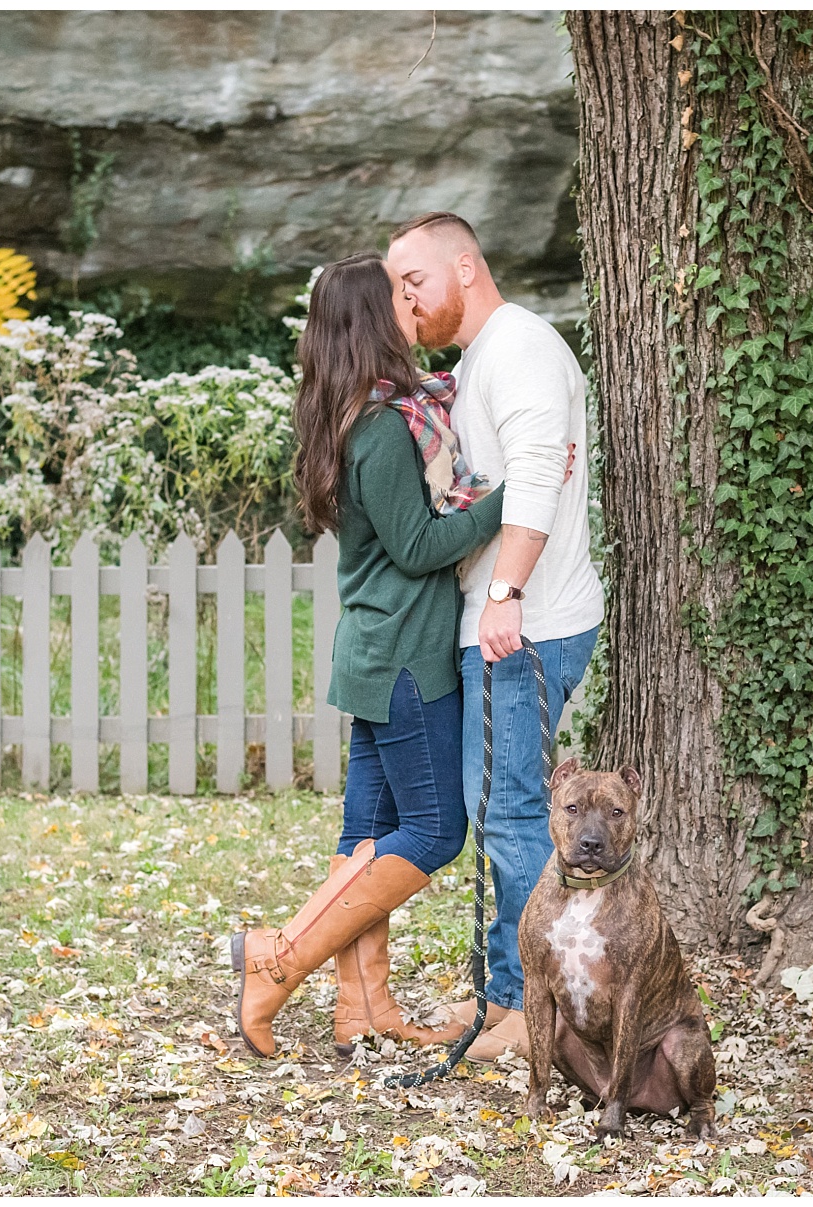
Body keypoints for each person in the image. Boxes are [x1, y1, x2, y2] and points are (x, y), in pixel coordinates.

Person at [230, 250, 503, 1059]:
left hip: (377, 650)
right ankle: (274, 959)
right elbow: (420, 546)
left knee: (370, 831)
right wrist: (512, 500)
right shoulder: (382, 429)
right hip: (406, 658)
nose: (410, 299)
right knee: (434, 829)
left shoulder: (361, 414)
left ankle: (365, 1007)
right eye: (397, 294)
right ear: (372, 322)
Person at [386, 212, 605, 1062]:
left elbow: (542, 471)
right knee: (502, 809)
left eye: (415, 282)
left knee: (511, 813)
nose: (406, 300)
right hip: (510, 622)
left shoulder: (517, 346)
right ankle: (517, 997)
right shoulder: (484, 357)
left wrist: (505, 590)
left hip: (527, 626)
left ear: (466, 268)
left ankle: (523, 1013)